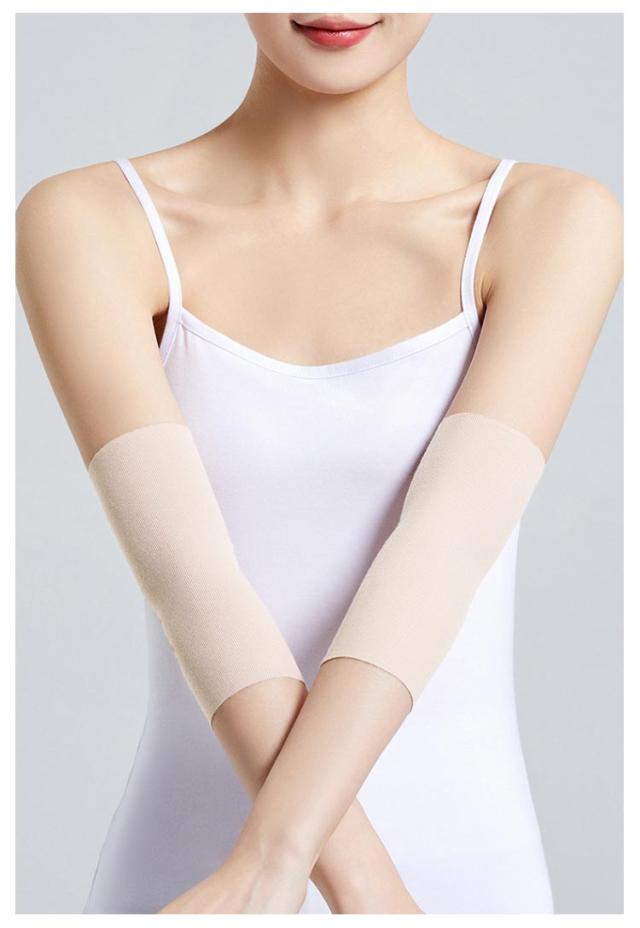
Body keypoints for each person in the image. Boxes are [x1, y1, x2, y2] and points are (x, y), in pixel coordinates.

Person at [15, 12, 622, 915]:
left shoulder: (548, 219)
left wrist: (287, 855)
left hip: (463, 870)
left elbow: (446, 543)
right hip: (195, 871)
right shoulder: (90, 221)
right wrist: (339, 877)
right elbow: (189, 575)